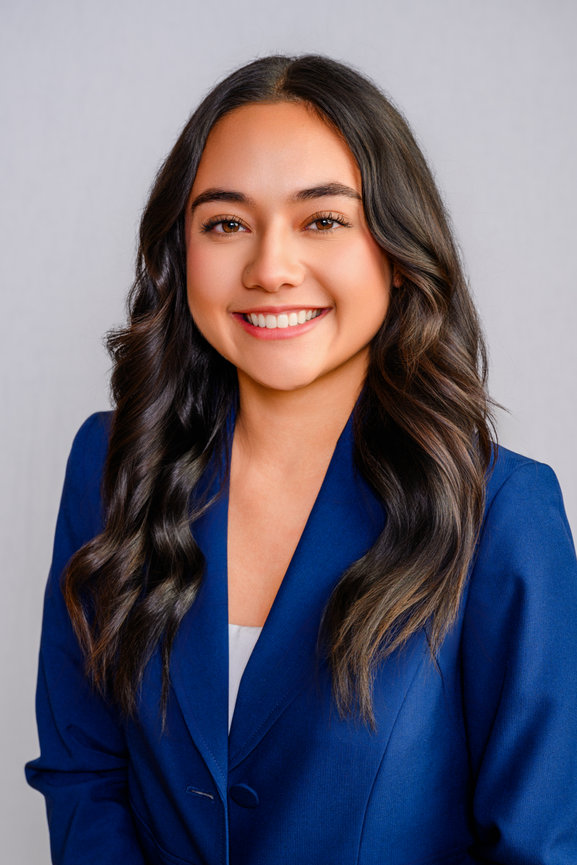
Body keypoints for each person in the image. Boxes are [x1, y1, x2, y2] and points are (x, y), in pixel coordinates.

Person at [25, 55, 577, 865]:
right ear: (180, 250)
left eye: (321, 220)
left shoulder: (502, 511)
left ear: (396, 247)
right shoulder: (112, 465)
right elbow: (85, 773)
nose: (270, 269)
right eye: (226, 223)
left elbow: (538, 844)